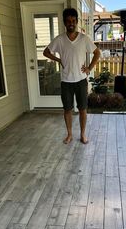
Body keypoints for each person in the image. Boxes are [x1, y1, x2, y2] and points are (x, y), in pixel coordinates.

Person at [43, 8, 100, 144]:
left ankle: (82, 134)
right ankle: (69, 134)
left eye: (73, 21)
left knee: (82, 110)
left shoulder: (84, 39)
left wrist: (89, 68)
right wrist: (58, 60)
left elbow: (97, 53)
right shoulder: (60, 40)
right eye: (68, 21)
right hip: (66, 82)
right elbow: (46, 52)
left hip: (81, 81)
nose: (71, 23)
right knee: (67, 110)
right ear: (64, 22)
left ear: (76, 22)